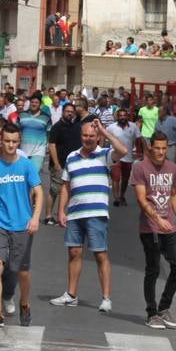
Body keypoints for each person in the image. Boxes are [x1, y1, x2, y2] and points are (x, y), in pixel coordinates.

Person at [51, 118, 129, 312]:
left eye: (92, 136)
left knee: (100, 254)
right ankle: (71, 294)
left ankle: (106, 298)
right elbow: (66, 186)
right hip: (75, 213)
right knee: (74, 253)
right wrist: (61, 211)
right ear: (81, 136)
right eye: (85, 135)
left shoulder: (104, 155)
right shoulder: (71, 157)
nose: (88, 139)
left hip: (96, 213)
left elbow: (124, 151)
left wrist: (104, 131)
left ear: (97, 137)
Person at [0, 126, 43, 327]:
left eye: (15, 141)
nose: (11, 145)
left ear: (19, 141)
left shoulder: (26, 166)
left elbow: (39, 192)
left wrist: (35, 218)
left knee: (20, 271)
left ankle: (24, 302)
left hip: (22, 225)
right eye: (7, 141)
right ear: (1, 141)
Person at [132, 131, 176, 330]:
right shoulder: (140, 168)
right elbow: (141, 199)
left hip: (169, 226)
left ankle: (164, 307)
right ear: (150, 148)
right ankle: (152, 313)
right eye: (157, 148)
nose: (160, 152)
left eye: (164, 148)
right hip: (149, 228)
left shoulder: (172, 168)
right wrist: (157, 218)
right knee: (153, 269)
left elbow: (173, 195)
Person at [45, 103, 81, 226]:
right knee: (55, 190)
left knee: (66, 190)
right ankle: (48, 216)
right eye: (67, 111)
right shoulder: (57, 127)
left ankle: (62, 215)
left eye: (72, 112)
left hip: (71, 164)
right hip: (58, 164)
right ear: (63, 112)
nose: (70, 113)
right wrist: (56, 164)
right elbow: (51, 145)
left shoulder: (74, 126)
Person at [106, 107, 141, 207]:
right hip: (115, 157)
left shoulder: (133, 127)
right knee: (115, 178)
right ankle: (116, 198)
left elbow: (139, 139)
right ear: (117, 117)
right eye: (120, 115)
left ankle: (122, 196)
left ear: (127, 116)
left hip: (128, 157)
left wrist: (139, 151)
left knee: (125, 179)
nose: (122, 117)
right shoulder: (111, 127)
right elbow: (104, 136)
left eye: (124, 115)